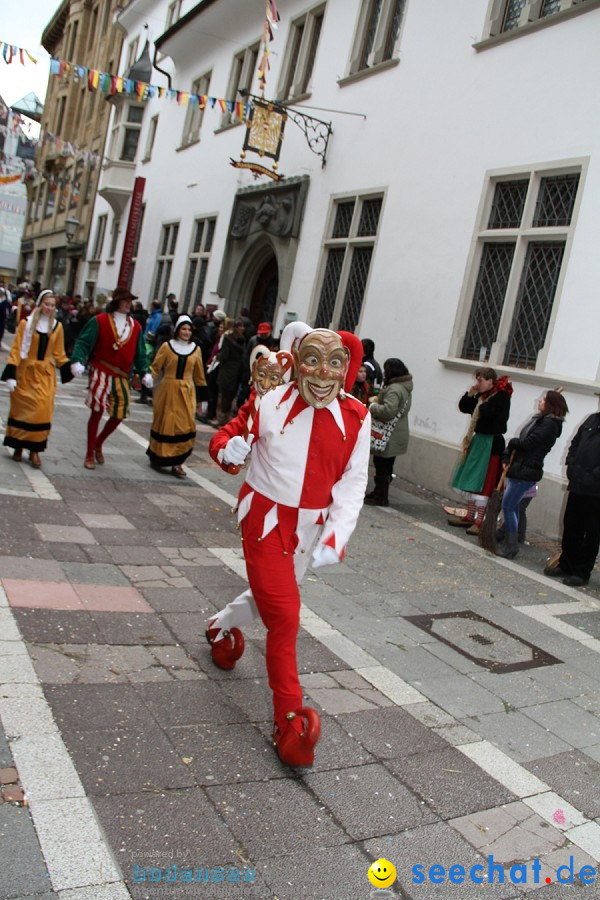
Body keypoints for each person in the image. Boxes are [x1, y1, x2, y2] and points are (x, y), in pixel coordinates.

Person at [207, 323, 369, 768]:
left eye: (334, 363)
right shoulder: (268, 399)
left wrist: (337, 534)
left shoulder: (357, 415)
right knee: (286, 618)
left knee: (271, 601)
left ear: (346, 367)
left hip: (310, 530)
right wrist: (231, 451)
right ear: (296, 362)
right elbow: (223, 440)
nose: (322, 373)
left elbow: (354, 483)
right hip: (264, 522)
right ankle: (289, 721)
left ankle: (218, 629)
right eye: (313, 360)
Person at [70, 286, 152, 469]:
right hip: (102, 370)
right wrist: (77, 359)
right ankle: (89, 453)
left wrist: (144, 370)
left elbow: (139, 352)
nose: (128, 304)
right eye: (125, 300)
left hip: (122, 375)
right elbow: (84, 342)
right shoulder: (99, 321)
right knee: (97, 411)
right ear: (117, 302)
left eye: (130, 301)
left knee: (120, 413)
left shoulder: (136, 326)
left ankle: (99, 442)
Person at [1, 289, 73, 467]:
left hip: (44, 375)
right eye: (46, 304)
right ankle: (18, 446)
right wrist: (10, 372)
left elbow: (59, 352)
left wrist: (69, 367)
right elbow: (17, 348)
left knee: (42, 411)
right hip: (25, 372)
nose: (49, 308)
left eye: (52, 305)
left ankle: (35, 450)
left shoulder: (57, 326)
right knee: (22, 411)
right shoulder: (26, 324)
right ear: (40, 305)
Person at [496, 391, 568, 559]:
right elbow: (521, 441)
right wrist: (508, 453)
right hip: (520, 467)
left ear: (550, 404)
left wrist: (512, 442)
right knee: (512, 506)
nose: (539, 401)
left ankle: (511, 545)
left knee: (509, 506)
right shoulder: (540, 420)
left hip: (526, 471)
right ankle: (509, 537)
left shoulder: (550, 425)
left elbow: (528, 443)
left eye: (543, 400)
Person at [449, 368, 512, 535]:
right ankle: (469, 516)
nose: (478, 384)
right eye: (477, 380)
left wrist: (481, 400)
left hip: (491, 442)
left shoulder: (501, 396)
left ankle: (479, 520)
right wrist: (471, 393)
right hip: (478, 440)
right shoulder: (483, 396)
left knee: (484, 481)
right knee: (470, 476)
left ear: (491, 381)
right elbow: (465, 407)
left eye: (481, 381)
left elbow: (488, 412)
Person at [544, 406, 600, 587]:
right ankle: (567, 564)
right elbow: (575, 443)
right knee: (571, 525)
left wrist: (593, 475)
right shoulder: (592, 419)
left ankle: (582, 571)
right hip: (577, 483)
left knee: (591, 532)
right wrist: (571, 463)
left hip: (596, 489)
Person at [146, 315, 206, 478]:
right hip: (168, 389)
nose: (186, 332)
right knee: (164, 423)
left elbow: (199, 375)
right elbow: (156, 366)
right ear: (177, 330)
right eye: (183, 329)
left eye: (189, 329)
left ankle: (178, 461)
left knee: (185, 425)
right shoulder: (167, 346)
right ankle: (158, 456)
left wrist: (203, 399)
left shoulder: (196, 349)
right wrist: (148, 377)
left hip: (186, 392)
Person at [364, 359, 413, 507]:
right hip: (397, 432)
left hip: (389, 434)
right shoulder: (404, 387)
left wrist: (372, 406)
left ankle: (381, 497)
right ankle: (378, 492)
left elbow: (388, 411)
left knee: (382, 466)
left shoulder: (394, 389)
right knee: (386, 465)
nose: (384, 373)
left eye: (386, 370)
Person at [216, 318, 246, 425]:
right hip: (237, 370)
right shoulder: (242, 340)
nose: (242, 328)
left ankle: (222, 418)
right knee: (230, 394)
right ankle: (226, 417)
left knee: (224, 394)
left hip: (228, 368)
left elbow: (224, 355)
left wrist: (218, 357)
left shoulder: (228, 339)